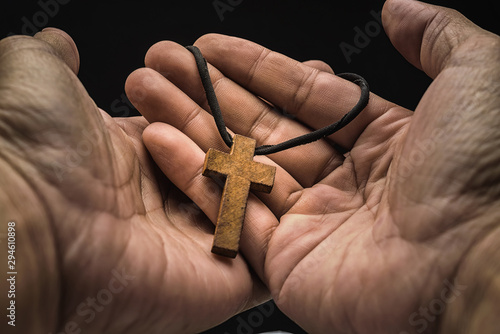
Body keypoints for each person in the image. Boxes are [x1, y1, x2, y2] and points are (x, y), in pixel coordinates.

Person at [1, 0, 499, 333]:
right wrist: (34, 228)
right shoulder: (231, 162)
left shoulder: (239, 163)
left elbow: (13, 301)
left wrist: (469, 254)